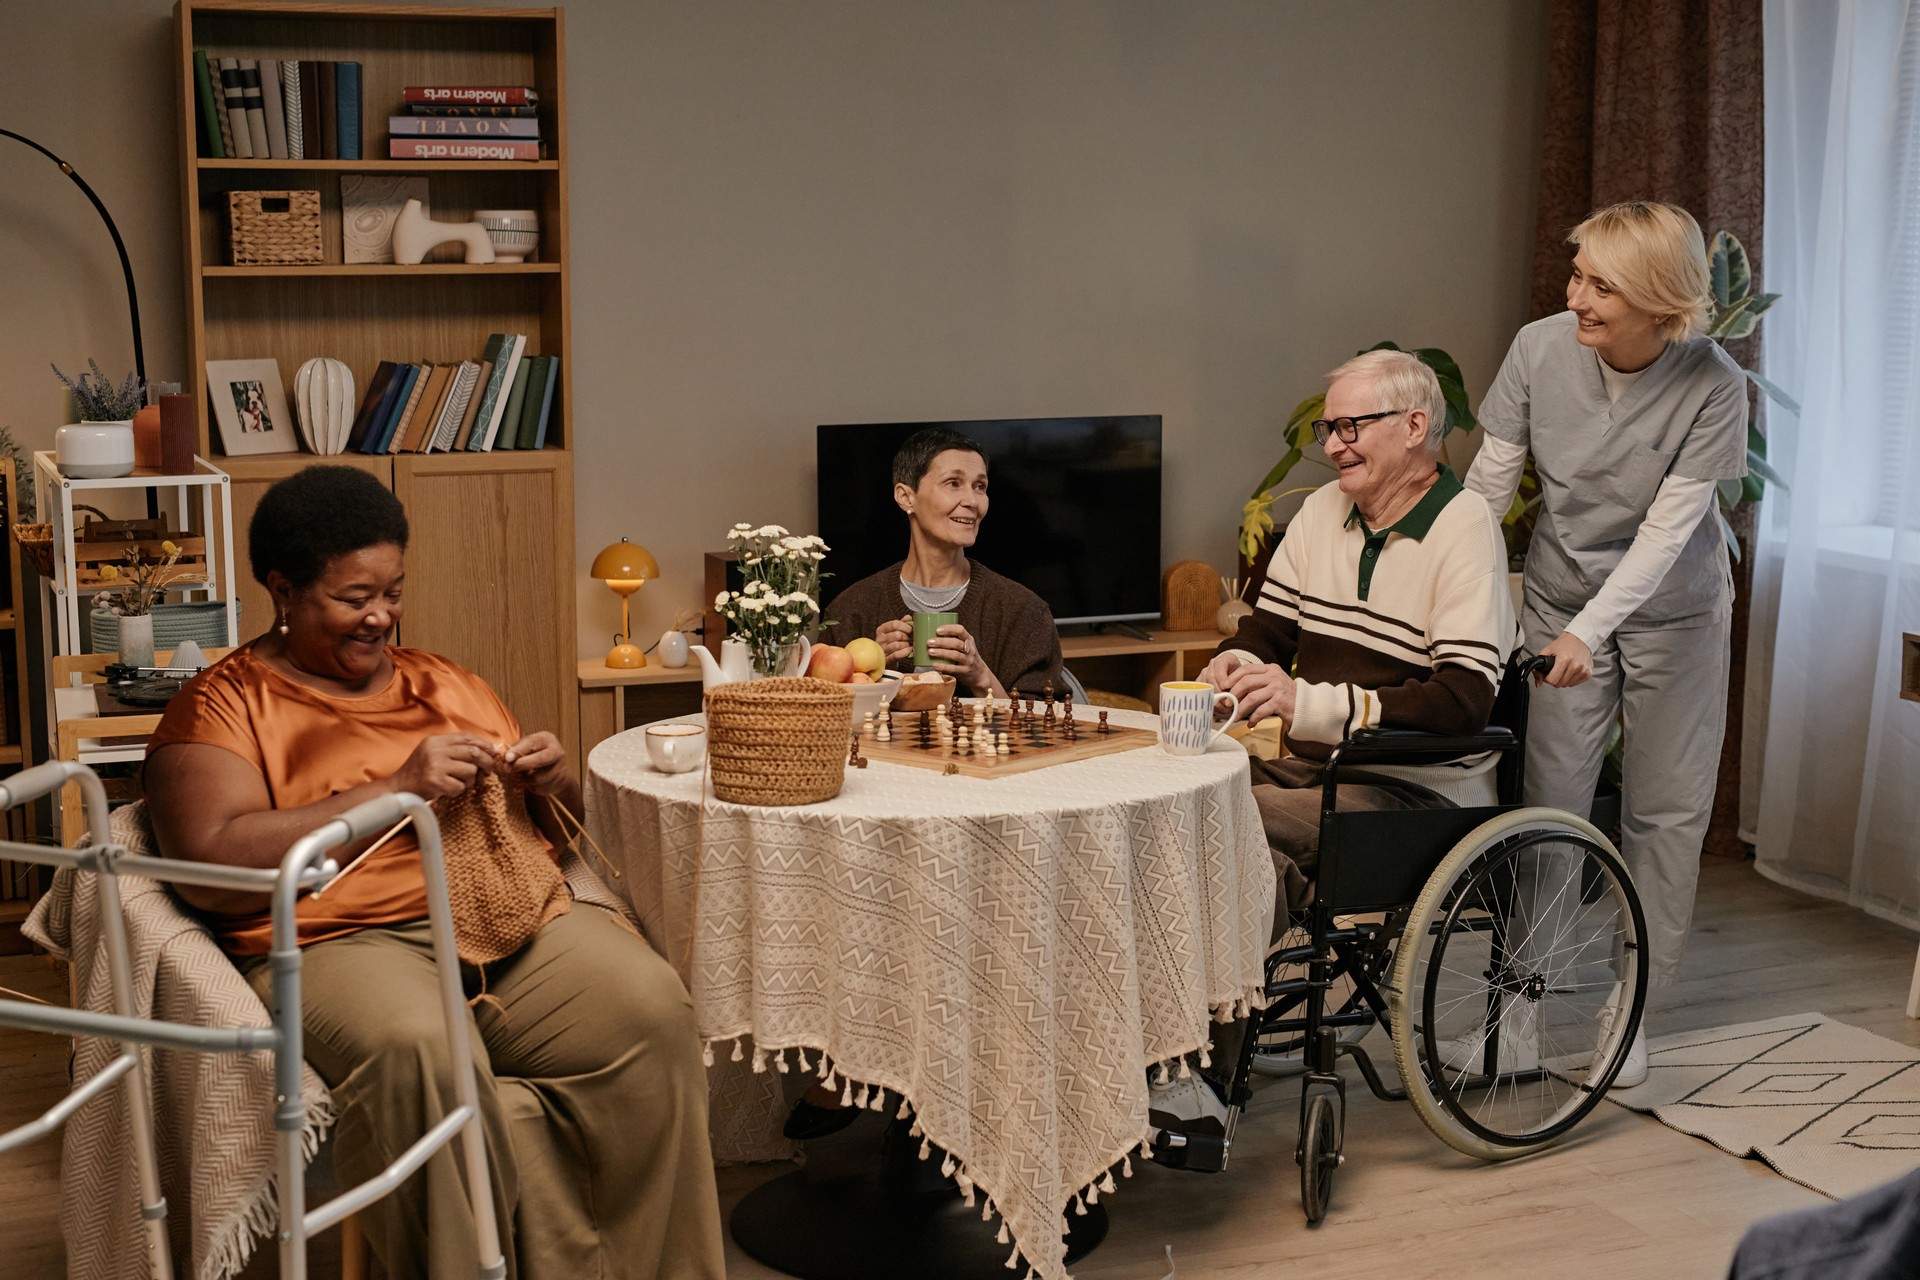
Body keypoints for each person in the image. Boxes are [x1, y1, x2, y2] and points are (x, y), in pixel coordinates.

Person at [142, 466, 724, 1280]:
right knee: (426, 1055)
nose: (381, 615)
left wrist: (551, 785)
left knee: (652, 1013)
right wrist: (394, 789)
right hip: (338, 941)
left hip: (500, 923)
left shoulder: (447, 681)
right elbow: (207, 864)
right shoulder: (222, 704)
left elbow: (542, 839)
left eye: (394, 590)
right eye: (354, 597)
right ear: (284, 589)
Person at [1150, 348, 1516, 1137]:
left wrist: (1305, 701)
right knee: (1192, 816)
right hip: (1317, 772)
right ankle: (1183, 1060)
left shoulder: (1464, 528)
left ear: (1416, 427)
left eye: (1354, 425)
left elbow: (1462, 700)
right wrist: (1234, 664)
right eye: (1330, 427)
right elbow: (1267, 629)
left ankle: (1201, 1078)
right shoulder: (1321, 514)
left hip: (1416, 789)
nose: (1336, 443)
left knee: (1224, 824)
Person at [1466, 201, 1747, 1088]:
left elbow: (1667, 535)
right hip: (1560, 594)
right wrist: (1459, 600)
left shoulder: (1715, 384)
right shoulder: (1539, 348)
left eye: (1600, 284)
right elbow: (1488, 488)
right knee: (1551, 805)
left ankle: (1631, 1015)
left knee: (1665, 815)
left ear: (1661, 304)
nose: (1574, 294)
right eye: (1578, 273)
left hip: (1676, 614)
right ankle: (1519, 1006)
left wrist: (1593, 631)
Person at [818, 426, 1065, 699]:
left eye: (979, 486)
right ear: (905, 497)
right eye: (953, 483)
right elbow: (824, 718)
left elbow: (1046, 730)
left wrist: (981, 678)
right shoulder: (851, 610)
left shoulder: (1023, 612)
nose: (972, 501)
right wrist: (874, 675)